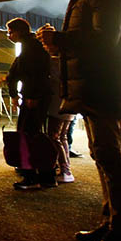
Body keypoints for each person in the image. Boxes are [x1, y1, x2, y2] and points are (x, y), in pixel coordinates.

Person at [37, 0, 121, 241]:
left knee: (110, 157)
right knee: (100, 154)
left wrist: (61, 40)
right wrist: (59, 42)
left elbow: (104, 40)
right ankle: (109, 223)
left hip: (101, 87)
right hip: (93, 87)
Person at [6, 17, 55, 189]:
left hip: (34, 96)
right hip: (36, 95)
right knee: (33, 135)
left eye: (10, 32)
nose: (8, 35)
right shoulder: (31, 46)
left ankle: (32, 176)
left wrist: (32, 96)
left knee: (27, 136)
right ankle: (46, 175)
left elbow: (35, 73)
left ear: (18, 31)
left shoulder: (31, 48)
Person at [46, 56, 75, 184]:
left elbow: (53, 81)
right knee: (62, 136)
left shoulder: (54, 62)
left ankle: (65, 170)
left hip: (57, 104)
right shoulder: (70, 61)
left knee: (54, 136)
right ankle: (65, 169)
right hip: (69, 103)